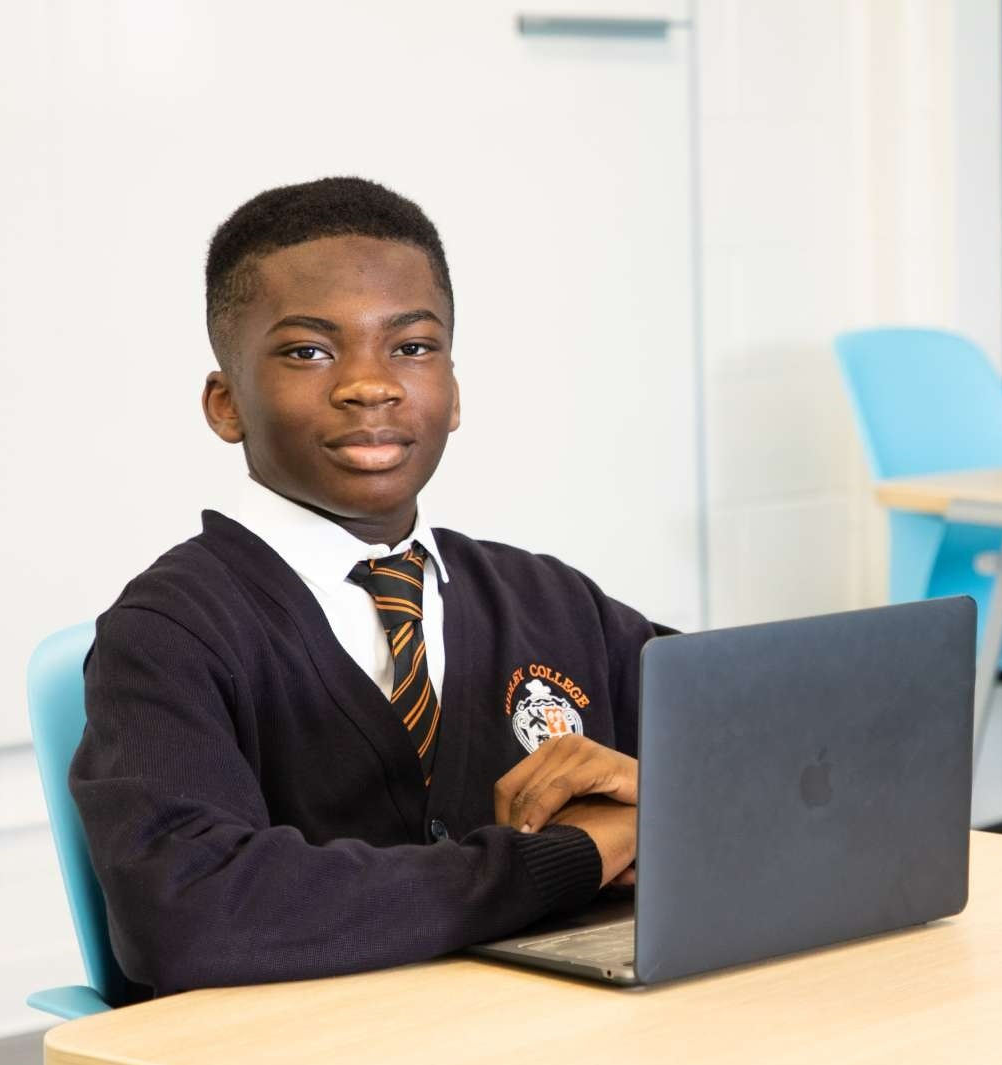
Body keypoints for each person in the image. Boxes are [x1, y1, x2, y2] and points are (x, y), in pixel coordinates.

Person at [71, 176, 675, 997]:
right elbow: (187, 910)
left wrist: (665, 790)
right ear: (225, 403)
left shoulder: (554, 602)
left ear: (453, 393)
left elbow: (785, 750)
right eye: (308, 351)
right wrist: (574, 855)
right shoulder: (170, 633)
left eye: (412, 347)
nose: (370, 384)